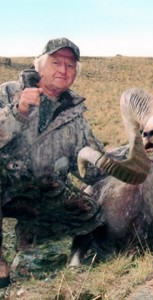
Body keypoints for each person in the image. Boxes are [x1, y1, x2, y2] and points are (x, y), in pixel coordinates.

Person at [0, 38, 106, 284]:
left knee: (91, 212)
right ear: (40, 66)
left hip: (41, 191)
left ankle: (32, 239)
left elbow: (92, 171)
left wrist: (125, 161)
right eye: (56, 62)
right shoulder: (7, 92)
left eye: (70, 66)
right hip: (4, 182)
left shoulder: (75, 115)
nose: (63, 70)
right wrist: (18, 112)